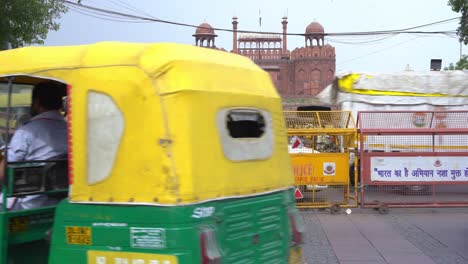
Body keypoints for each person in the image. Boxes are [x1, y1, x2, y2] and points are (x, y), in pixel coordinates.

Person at [0, 80, 67, 210]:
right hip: (61, 201)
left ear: (36, 102)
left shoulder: (27, 132)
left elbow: (4, 173)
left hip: (29, 204)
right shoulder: (71, 131)